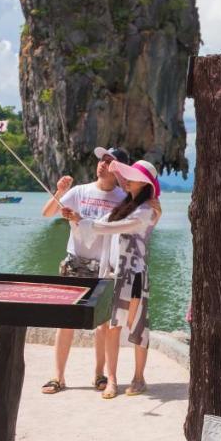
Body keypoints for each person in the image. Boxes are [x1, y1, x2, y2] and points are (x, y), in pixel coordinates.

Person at [63, 158, 161, 400]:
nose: (126, 180)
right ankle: (112, 380)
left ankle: (139, 377)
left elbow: (114, 228)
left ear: (144, 183)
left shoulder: (147, 210)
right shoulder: (124, 206)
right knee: (113, 327)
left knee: (137, 326)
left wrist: (86, 223)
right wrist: (77, 218)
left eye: (132, 177)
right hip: (113, 272)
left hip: (134, 274)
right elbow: (103, 223)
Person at [38, 146, 129, 394]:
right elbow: (46, 213)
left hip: (104, 267)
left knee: (102, 325)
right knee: (65, 322)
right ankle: (58, 376)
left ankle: (99, 375)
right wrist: (60, 192)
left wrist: (81, 219)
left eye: (109, 161)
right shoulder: (79, 192)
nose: (102, 163)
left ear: (118, 170)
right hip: (74, 262)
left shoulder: (123, 199)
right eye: (102, 159)